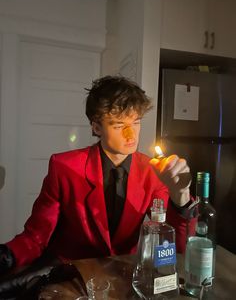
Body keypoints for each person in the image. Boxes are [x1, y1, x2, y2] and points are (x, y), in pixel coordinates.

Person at [0, 75, 194, 273]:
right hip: (71, 272)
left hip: (122, 272)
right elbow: (36, 236)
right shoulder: (63, 166)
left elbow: (174, 248)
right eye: (119, 125)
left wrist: (181, 196)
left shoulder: (153, 172)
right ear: (96, 127)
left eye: (136, 122)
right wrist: (6, 256)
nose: (131, 135)